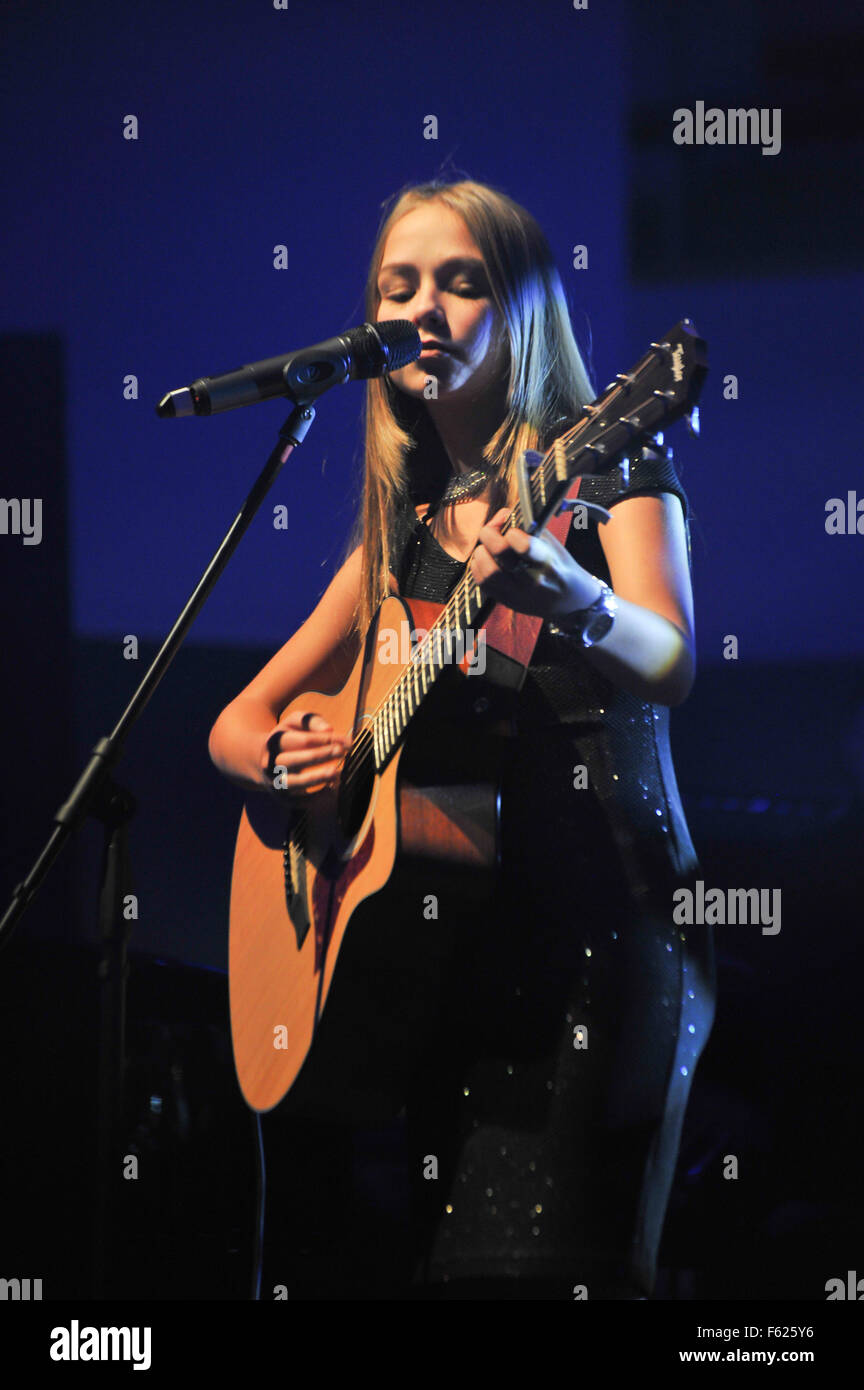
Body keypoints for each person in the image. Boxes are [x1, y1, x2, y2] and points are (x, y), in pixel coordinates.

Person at [208, 178, 716, 1300]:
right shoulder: (402, 536)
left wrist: (574, 598)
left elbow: (672, 660)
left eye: (461, 281)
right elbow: (231, 722)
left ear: (524, 309)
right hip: (439, 969)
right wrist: (288, 762)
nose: (424, 307)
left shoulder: (601, 468)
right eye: (401, 286)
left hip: (596, 948)